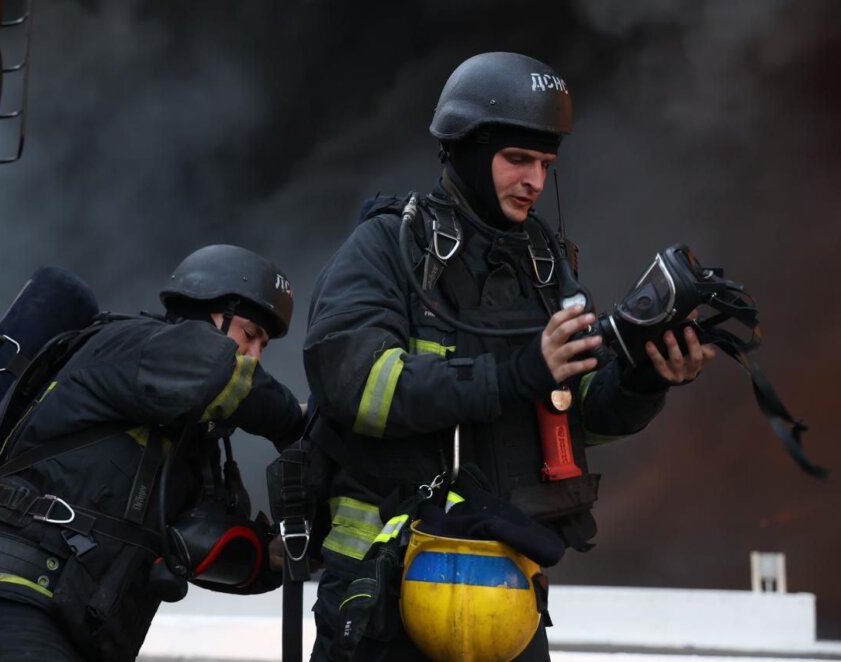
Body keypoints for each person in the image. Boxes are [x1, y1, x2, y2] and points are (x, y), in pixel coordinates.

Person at [302, 52, 717, 660]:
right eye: (518, 159)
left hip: (502, 593)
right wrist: (514, 374)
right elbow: (358, 385)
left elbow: (577, 415)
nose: (535, 182)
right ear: (468, 151)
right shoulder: (389, 246)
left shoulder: (545, 266)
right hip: (381, 590)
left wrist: (643, 380)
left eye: (546, 164)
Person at [0, 244, 305, 662]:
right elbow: (223, 375)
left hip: (76, 616)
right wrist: (302, 422)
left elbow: (195, 542)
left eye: (263, 346)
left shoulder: (182, 423)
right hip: (15, 595)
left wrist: (272, 558)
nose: (255, 356)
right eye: (250, 335)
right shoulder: (141, 345)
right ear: (206, 312)